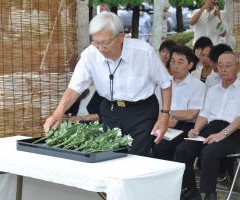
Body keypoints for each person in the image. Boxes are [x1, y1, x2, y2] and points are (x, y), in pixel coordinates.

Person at [44, 11, 172, 156]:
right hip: (110, 111)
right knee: (109, 157)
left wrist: (164, 115)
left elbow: (165, 83)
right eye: (96, 43)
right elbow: (74, 88)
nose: (101, 49)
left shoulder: (143, 52)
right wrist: (58, 113)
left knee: (136, 160)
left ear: (121, 37)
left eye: (105, 43)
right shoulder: (90, 55)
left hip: (141, 112)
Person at [176, 51, 240, 200]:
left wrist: (222, 134)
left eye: (228, 65)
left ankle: (210, 194)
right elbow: (204, 114)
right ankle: (190, 189)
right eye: (220, 65)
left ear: (237, 67)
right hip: (210, 128)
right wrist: (196, 129)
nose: (223, 69)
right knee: (183, 149)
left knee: (209, 152)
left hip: (234, 132)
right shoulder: (212, 90)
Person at [153, 45, 206, 161]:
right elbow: (156, 107)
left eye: (180, 62)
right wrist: (164, 119)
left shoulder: (198, 86)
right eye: (173, 61)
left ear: (190, 65)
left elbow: (192, 113)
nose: (175, 66)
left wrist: (168, 114)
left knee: (162, 146)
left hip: (185, 126)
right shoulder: (164, 83)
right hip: (161, 122)